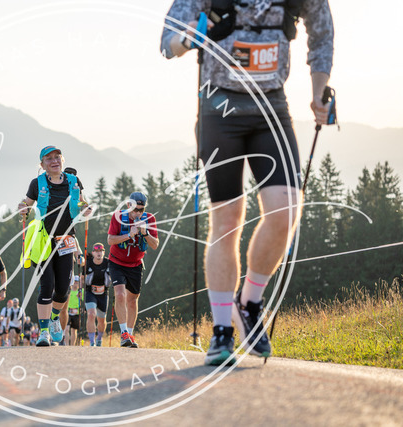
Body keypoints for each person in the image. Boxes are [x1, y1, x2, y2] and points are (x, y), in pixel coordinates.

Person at [160, 0, 334, 365]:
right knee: (227, 220)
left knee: (286, 212)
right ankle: (222, 331)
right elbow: (167, 42)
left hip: (272, 107)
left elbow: (322, 35)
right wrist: (188, 38)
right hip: (219, 108)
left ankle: (249, 303)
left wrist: (319, 91)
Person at [18, 145, 91, 346]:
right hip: (42, 240)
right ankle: (44, 333)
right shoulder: (37, 183)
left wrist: (86, 209)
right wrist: (22, 208)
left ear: (62, 160)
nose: (54, 161)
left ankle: (54, 318)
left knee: (62, 290)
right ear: (42, 165)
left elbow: (81, 203)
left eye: (57, 157)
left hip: (66, 239)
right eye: (49, 158)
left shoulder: (74, 181)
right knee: (47, 285)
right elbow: (26, 203)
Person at [107, 192, 159, 348]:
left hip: (135, 264)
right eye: (135, 209)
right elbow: (110, 240)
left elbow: (155, 245)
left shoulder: (149, 219)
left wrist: (145, 233)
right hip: (116, 262)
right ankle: (123, 334)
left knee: (132, 299)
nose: (138, 213)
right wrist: (129, 235)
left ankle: (130, 334)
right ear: (128, 205)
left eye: (141, 210)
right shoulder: (118, 216)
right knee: (120, 295)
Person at [83, 242, 112, 347]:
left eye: (101, 251)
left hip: (103, 293)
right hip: (90, 292)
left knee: (102, 319)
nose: (99, 253)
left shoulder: (108, 263)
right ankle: (92, 342)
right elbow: (82, 277)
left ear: (104, 252)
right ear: (93, 253)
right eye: (96, 251)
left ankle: (99, 338)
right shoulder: (88, 263)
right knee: (91, 314)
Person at [65, 275, 82, 346]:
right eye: (74, 282)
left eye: (77, 282)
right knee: (66, 329)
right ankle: (66, 345)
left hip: (76, 312)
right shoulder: (69, 291)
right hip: (68, 311)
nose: (75, 283)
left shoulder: (81, 292)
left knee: (73, 330)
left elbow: (83, 301)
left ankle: (72, 345)